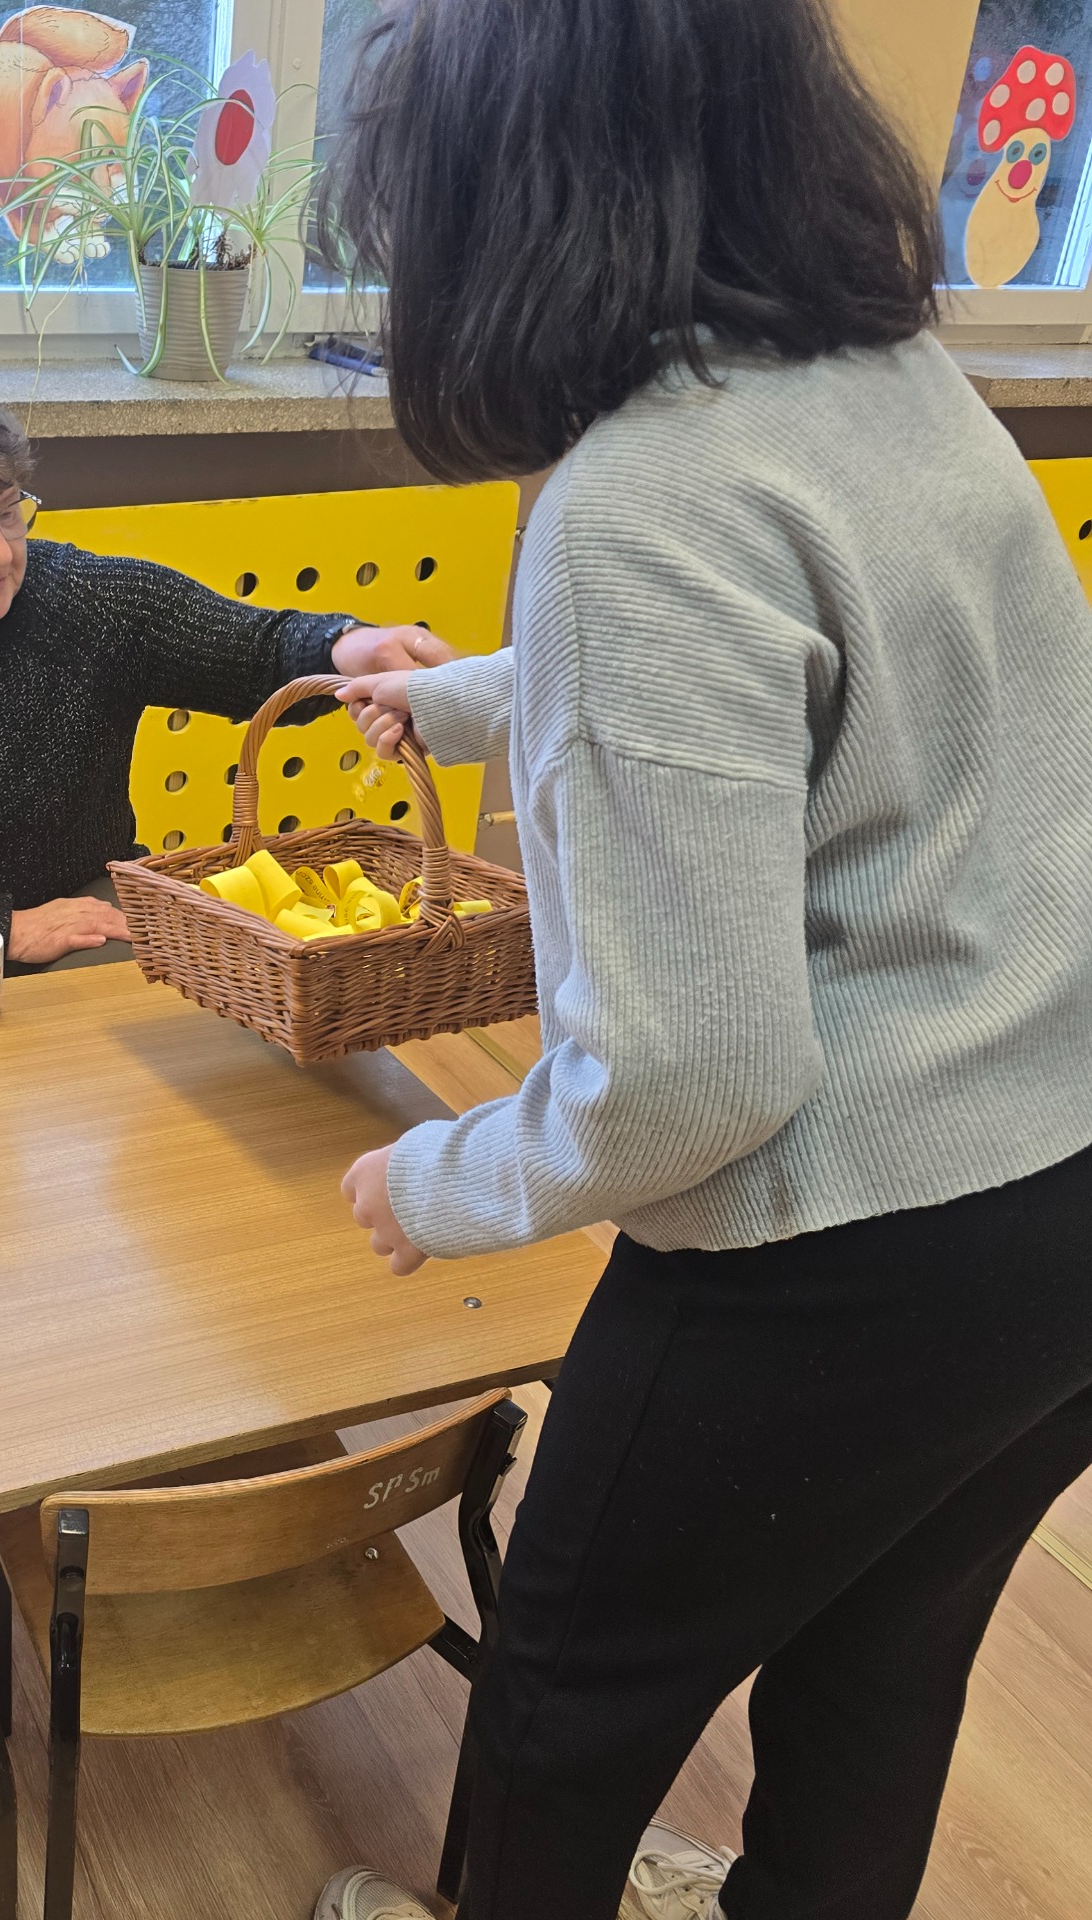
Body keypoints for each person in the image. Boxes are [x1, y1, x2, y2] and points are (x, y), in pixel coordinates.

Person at [310, 4, 1092, 1920]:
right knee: (880, 1667)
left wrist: (445, 1177)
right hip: (1064, 1189)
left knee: (561, 1707)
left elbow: (690, 1077)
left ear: (515, 211)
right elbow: (810, 667)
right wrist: (483, 699)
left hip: (845, 1249)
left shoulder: (636, 498)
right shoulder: (889, 380)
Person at [0, 381, 450, 1006]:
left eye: (8, 514)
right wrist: (1, 925)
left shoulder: (85, 597)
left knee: (138, 988)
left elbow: (253, 647)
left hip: (79, 895)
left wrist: (351, 645)